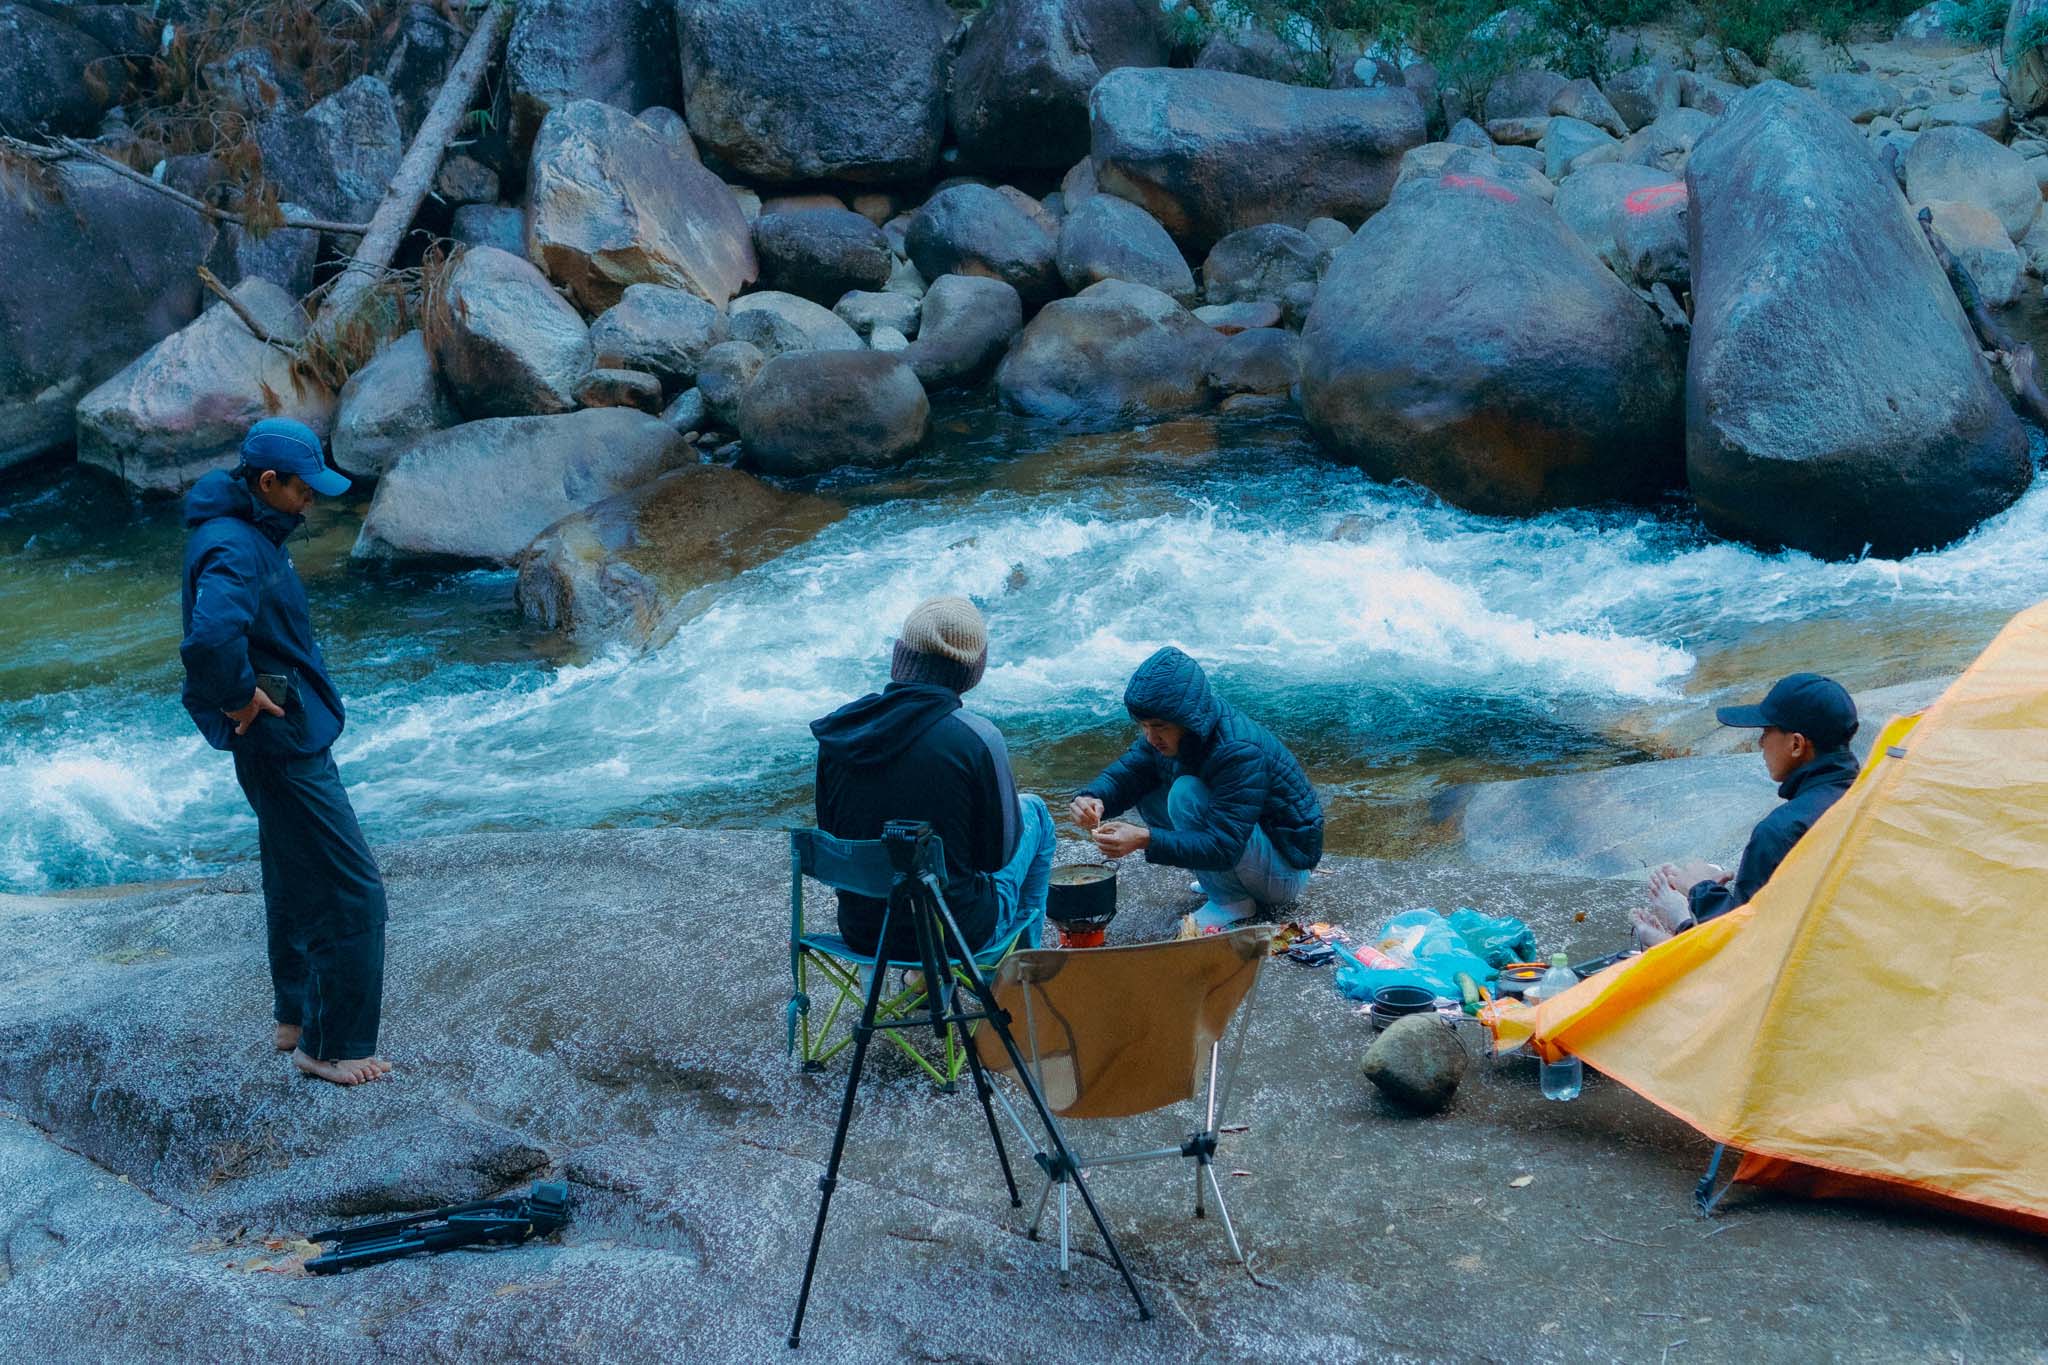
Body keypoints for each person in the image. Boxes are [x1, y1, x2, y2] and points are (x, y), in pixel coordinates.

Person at [180, 418, 391, 1087]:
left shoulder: (247, 529)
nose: (314, 500)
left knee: (292, 870)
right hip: (284, 739)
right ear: (267, 482)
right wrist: (240, 696)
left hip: (278, 737)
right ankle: (328, 1047)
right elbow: (211, 639)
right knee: (350, 890)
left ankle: (295, 1016)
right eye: (304, 489)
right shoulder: (235, 548)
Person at [811, 595, 1052, 961]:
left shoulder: (840, 731)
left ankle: (920, 979)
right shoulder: (976, 739)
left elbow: (833, 836)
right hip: (956, 935)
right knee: (1035, 813)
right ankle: (1023, 971)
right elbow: (996, 858)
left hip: (864, 933)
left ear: (900, 656)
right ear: (972, 671)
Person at [1071, 647, 1323, 934]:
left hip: (1284, 873)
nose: (1150, 737)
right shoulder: (1178, 732)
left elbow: (1223, 846)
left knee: (1184, 793)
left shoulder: (1238, 750)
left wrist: (1145, 838)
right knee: (1149, 789)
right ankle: (1221, 884)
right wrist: (1092, 798)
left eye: (1159, 727)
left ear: (1187, 719)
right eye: (1143, 726)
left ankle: (1232, 901)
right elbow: (1127, 773)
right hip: (1250, 851)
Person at [1633, 673, 1861, 949]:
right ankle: (1679, 932)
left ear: (1797, 745)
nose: (1760, 743)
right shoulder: (1869, 795)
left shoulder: (1781, 832)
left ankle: (1673, 935)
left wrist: (1701, 889)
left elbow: (1743, 946)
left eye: (1766, 732)